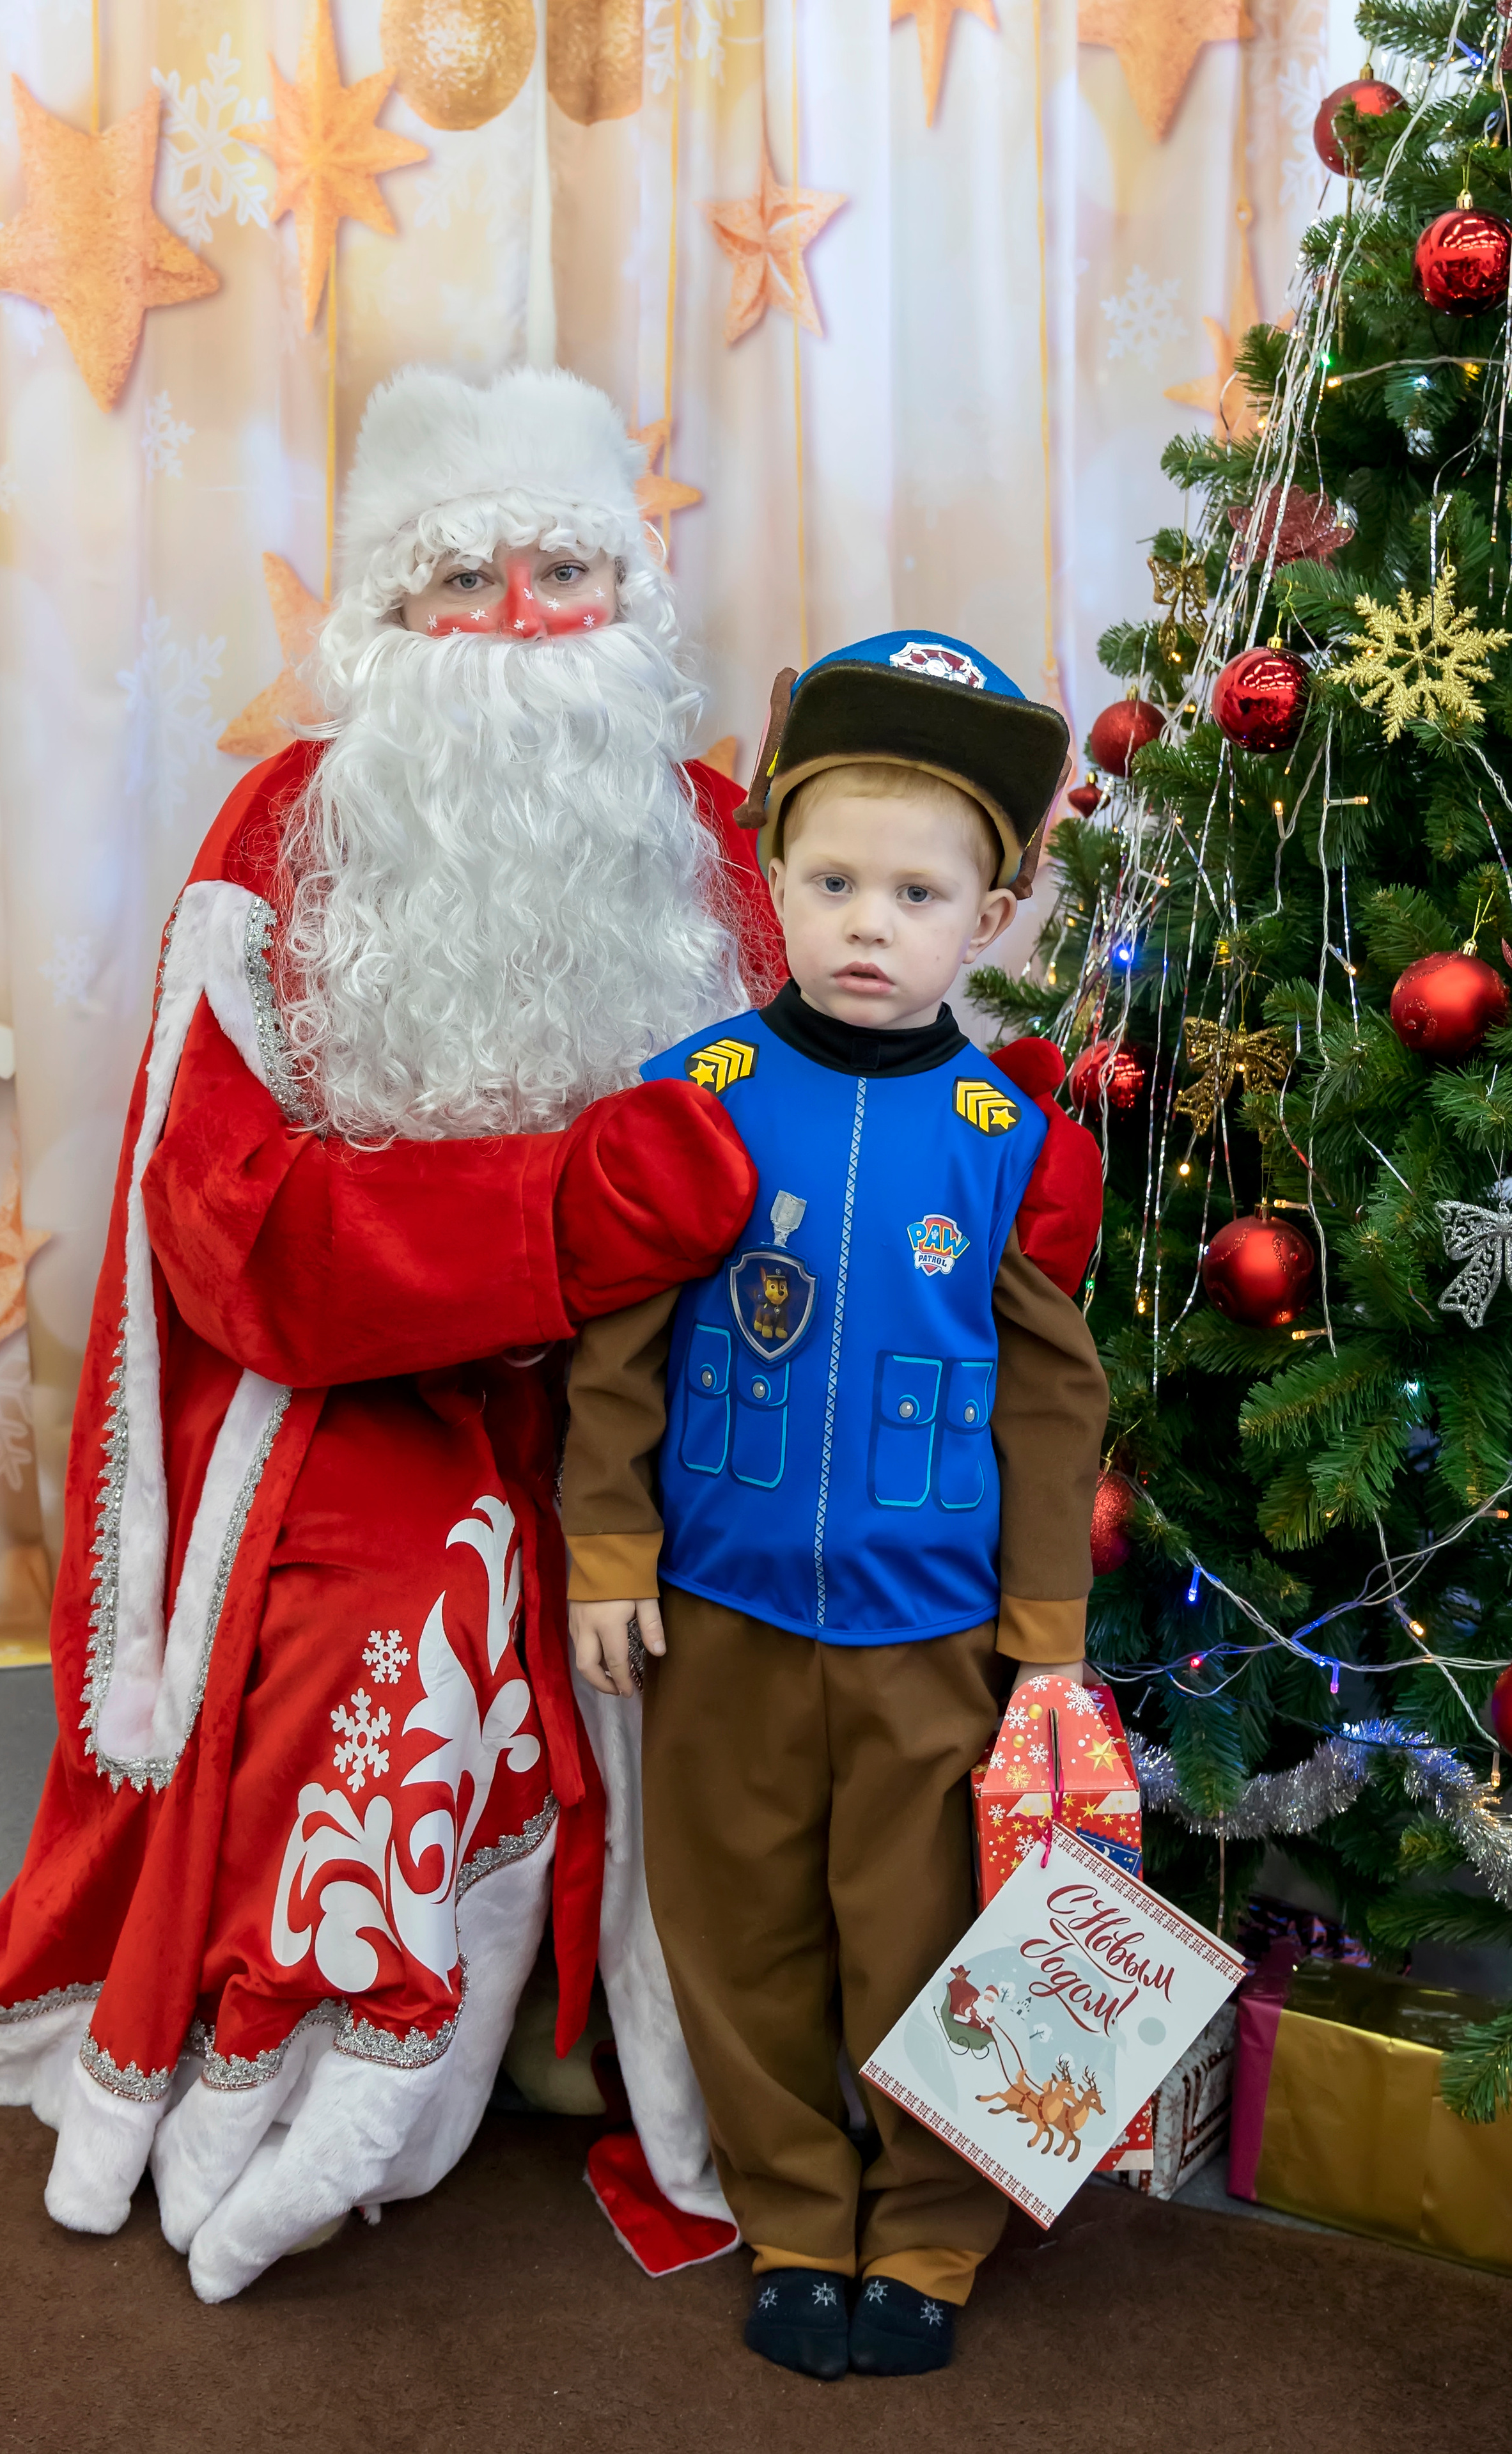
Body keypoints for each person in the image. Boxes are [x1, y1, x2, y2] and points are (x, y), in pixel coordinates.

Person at [0, 363, 783, 2302]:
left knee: (779, 1576)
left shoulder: (722, 833)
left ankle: (681, 2021)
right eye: (462, 577)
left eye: (565, 568)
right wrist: (546, 1221)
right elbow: (229, 1230)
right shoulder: (285, 835)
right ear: (386, 622)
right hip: (366, 1389)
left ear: (631, 599)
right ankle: (341, 2061)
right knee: (404, 1599)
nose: (516, 622)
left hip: (681, 1377)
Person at [561, 632, 1109, 2380]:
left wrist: (1044, 1643)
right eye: (834, 880)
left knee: (927, 1938)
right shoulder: (696, 1095)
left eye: (920, 893)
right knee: (738, 1934)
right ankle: (799, 2211)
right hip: (717, 1615)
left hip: (931, 1635)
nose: (872, 924)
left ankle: (932, 2230)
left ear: (994, 913)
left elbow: (1049, 1391)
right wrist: (609, 1546)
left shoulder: (1001, 1135)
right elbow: (620, 1348)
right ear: (775, 878)